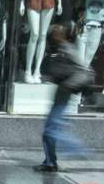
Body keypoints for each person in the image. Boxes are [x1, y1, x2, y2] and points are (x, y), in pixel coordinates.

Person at [33, 22, 91, 173]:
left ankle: (74, 151)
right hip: (60, 93)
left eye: (56, 31)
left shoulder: (68, 49)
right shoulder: (58, 49)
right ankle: (50, 161)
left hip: (65, 92)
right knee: (51, 129)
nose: (54, 33)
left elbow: (86, 71)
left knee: (51, 130)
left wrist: (68, 84)